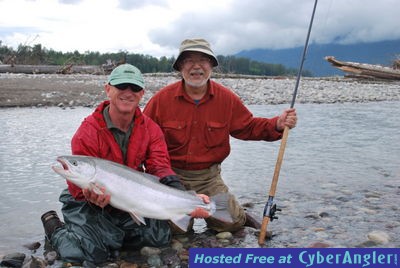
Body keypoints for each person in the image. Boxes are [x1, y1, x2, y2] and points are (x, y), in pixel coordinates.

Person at [41, 64, 209, 265]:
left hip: (130, 194)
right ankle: (54, 228)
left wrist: (187, 197)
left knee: (159, 238)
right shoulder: (87, 132)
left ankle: (110, 234)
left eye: (134, 89)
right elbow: (77, 189)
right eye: (121, 87)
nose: (128, 93)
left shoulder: (151, 129)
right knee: (87, 253)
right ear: (108, 89)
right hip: (85, 200)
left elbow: (160, 167)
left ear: (142, 94)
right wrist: (89, 196)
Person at [143, 38, 297, 233]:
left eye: (203, 61)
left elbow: (248, 127)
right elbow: (141, 138)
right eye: (189, 60)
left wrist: (276, 124)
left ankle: (239, 212)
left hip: (209, 177)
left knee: (231, 223)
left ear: (212, 66)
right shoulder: (161, 100)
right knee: (173, 231)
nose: (196, 67)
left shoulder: (226, 98)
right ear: (180, 66)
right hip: (170, 177)